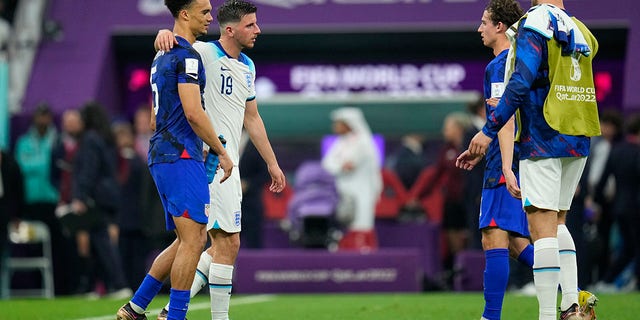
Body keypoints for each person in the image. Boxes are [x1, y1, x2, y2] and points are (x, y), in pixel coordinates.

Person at [461, 0, 600, 319]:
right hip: (578, 135)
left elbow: (521, 81)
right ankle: (574, 305)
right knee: (558, 223)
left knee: (541, 229)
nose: (479, 28)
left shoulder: (535, 21)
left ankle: (551, 314)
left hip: (541, 137)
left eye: (484, 22)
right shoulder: (580, 27)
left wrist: (490, 129)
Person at [154, 1, 286, 318]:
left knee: (216, 244)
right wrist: (162, 33)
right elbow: (175, 43)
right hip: (209, 160)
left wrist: (272, 162)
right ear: (230, 29)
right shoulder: (203, 52)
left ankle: (164, 308)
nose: (258, 30)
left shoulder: (248, 67)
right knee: (224, 242)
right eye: (251, 25)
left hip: (230, 162)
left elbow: (252, 119)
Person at [117, 1, 233, 319]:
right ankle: (176, 315)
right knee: (195, 239)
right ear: (184, 14)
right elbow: (194, 113)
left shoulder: (161, 55)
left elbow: (155, 120)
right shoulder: (187, 57)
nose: (211, 17)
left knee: (186, 239)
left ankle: (136, 306)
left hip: (164, 154)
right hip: (181, 156)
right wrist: (220, 151)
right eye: (205, 12)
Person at [458, 1, 534, 319]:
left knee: (493, 235)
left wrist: (503, 165)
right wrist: (482, 152)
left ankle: (491, 316)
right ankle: (573, 292)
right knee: (517, 241)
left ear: (500, 26)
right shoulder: (518, 61)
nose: (480, 29)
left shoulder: (501, 64)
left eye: (484, 22)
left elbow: (505, 117)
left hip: (506, 161)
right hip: (515, 156)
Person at [71, 102, 131, 298]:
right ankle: (96, 286)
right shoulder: (107, 138)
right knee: (99, 240)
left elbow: (89, 170)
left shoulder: (90, 139)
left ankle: (119, 284)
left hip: (97, 196)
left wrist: (80, 196)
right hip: (110, 195)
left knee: (101, 240)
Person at [322, 107, 382, 252]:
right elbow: (327, 164)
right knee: (345, 228)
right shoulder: (340, 143)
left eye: (338, 123)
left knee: (361, 225)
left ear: (348, 124)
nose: (335, 126)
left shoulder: (363, 142)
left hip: (362, 193)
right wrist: (340, 165)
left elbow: (351, 164)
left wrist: (339, 165)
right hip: (343, 192)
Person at [592, 115, 640, 292]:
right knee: (631, 247)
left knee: (627, 248)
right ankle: (632, 282)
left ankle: (607, 280)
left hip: (617, 207)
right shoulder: (636, 152)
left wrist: (596, 202)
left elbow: (603, 178)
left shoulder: (616, 149)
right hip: (635, 207)